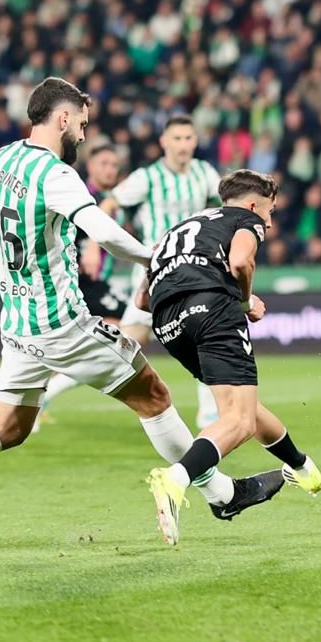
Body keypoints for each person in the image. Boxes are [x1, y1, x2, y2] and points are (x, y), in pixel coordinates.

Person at [0, 79, 282, 551]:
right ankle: (222, 493)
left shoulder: (6, 157)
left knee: (9, 427)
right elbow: (104, 232)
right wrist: (158, 258)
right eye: (83, 125)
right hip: (64, 325)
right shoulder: (57, 176)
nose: (85, 136)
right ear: (62, 118)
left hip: (19, 328)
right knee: (154, 395)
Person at [139, 169, 321, 545]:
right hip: (212, 306)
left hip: (167, 322)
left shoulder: (181, 227)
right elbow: (241, 262)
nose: (269, 223)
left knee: (242, 410)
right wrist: (244, 301)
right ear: (255, 204)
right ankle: (176, 479)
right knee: (237, 421)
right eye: (270, 213)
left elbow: (141, 298)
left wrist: (300, 464)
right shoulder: (245, 219)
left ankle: (303, 468)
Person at [103, 116, 223, 429]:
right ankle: (57, 384)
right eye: (177, 138)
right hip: (154, 275)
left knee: (205, 334)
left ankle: (209, 414)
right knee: (122, 347)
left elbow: (223, 205)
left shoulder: (204, 173)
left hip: (194, 270)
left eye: (188, 138)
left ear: (195, 141)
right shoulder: (148, 177)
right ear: (164, 142)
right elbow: (110, 203)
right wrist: (94, 245)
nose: (183, 145)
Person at [36, 143, 125, 427]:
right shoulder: (82, 195)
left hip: (97, 281)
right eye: (104, 164)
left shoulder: (112, 199)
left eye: (114, 165)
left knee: (81, 345)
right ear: (91, 166)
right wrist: (88, 245)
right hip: (79, 281)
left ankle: (39, 399)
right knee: (125, 327)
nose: (110, 169)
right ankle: (44, 396)